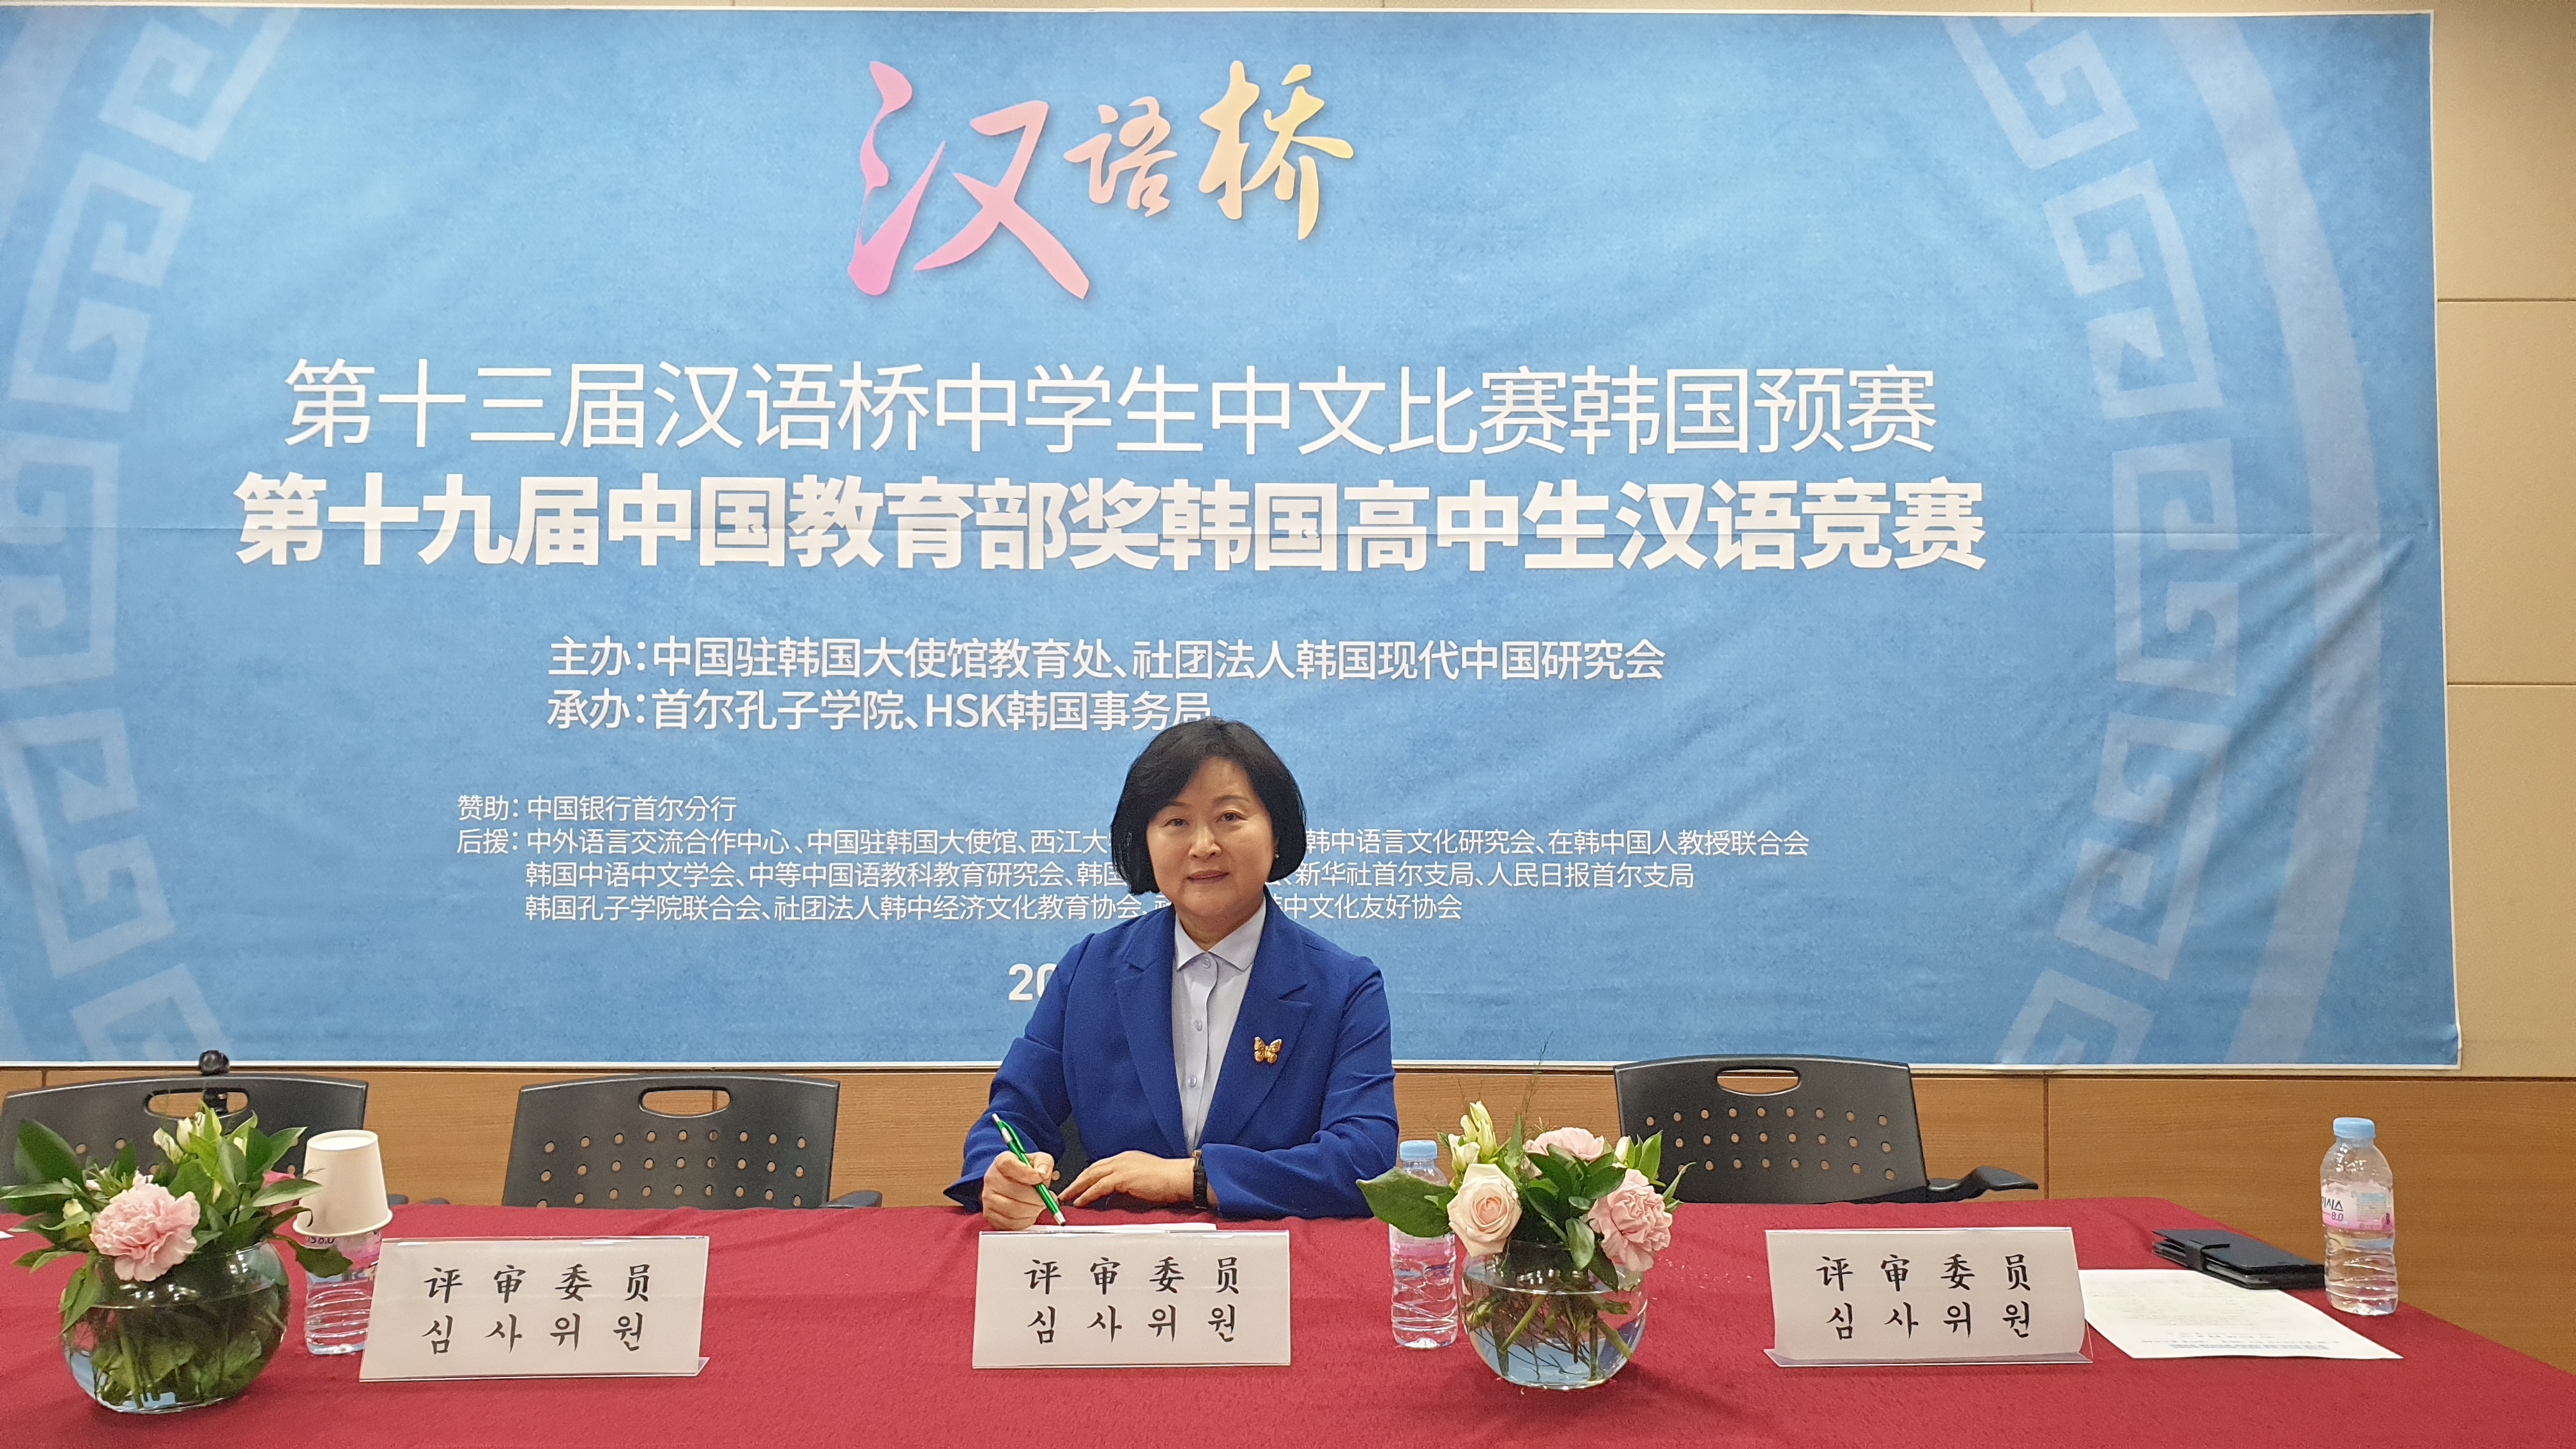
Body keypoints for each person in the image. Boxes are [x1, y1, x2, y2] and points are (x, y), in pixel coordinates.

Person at [947, 719, 1398, 1226]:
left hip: (1276, 1260)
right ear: (1145, 842)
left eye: (1229, 817)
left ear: (1277, 835)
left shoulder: (1344, 987)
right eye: (1177, 822)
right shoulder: (1089, 970)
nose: (1203, 845)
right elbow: (1010, 1118)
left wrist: (1195, 1178)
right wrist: (1001, 1175)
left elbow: (1364, 1160)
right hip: (1113, 1261)